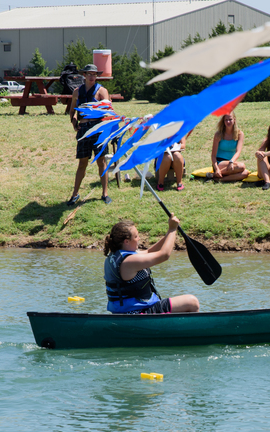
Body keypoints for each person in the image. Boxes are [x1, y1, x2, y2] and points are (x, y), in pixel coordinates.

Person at [103, 218, 200, 314]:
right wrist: (172, 230)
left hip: (128, 312)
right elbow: (164, 255)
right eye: (136, 236)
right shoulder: (129, 261)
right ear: (126, 241)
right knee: (192, 302)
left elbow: (150, 252)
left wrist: (170, 233)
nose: (139, 238)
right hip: (138, 313)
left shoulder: (116, 257)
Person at [68, 64, 111, 207]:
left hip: (98, 129)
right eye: (89, 74)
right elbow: (72, 111)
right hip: (84, 129)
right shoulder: (77, 92)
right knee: (82, 163)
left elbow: (109, 111)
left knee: (101, 162)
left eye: (94, 74)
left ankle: (105, 193)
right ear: (84, 75)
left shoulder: (102, 91)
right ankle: (75, 194)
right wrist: (74, 123)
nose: (92, 77)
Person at [210, 113, 248, 182]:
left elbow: (238, 152)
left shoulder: (239, 134)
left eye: (230, 119)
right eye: (226, 120)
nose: (228, 122)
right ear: (223, 121)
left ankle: (218, 178)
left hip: (231, 162)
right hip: (219, 163)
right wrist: (217, 168)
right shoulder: (218, 134)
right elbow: (213, 155)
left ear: (234, 120)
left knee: (245, 173)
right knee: (241, 166)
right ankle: (217, 172)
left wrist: (231, 161)